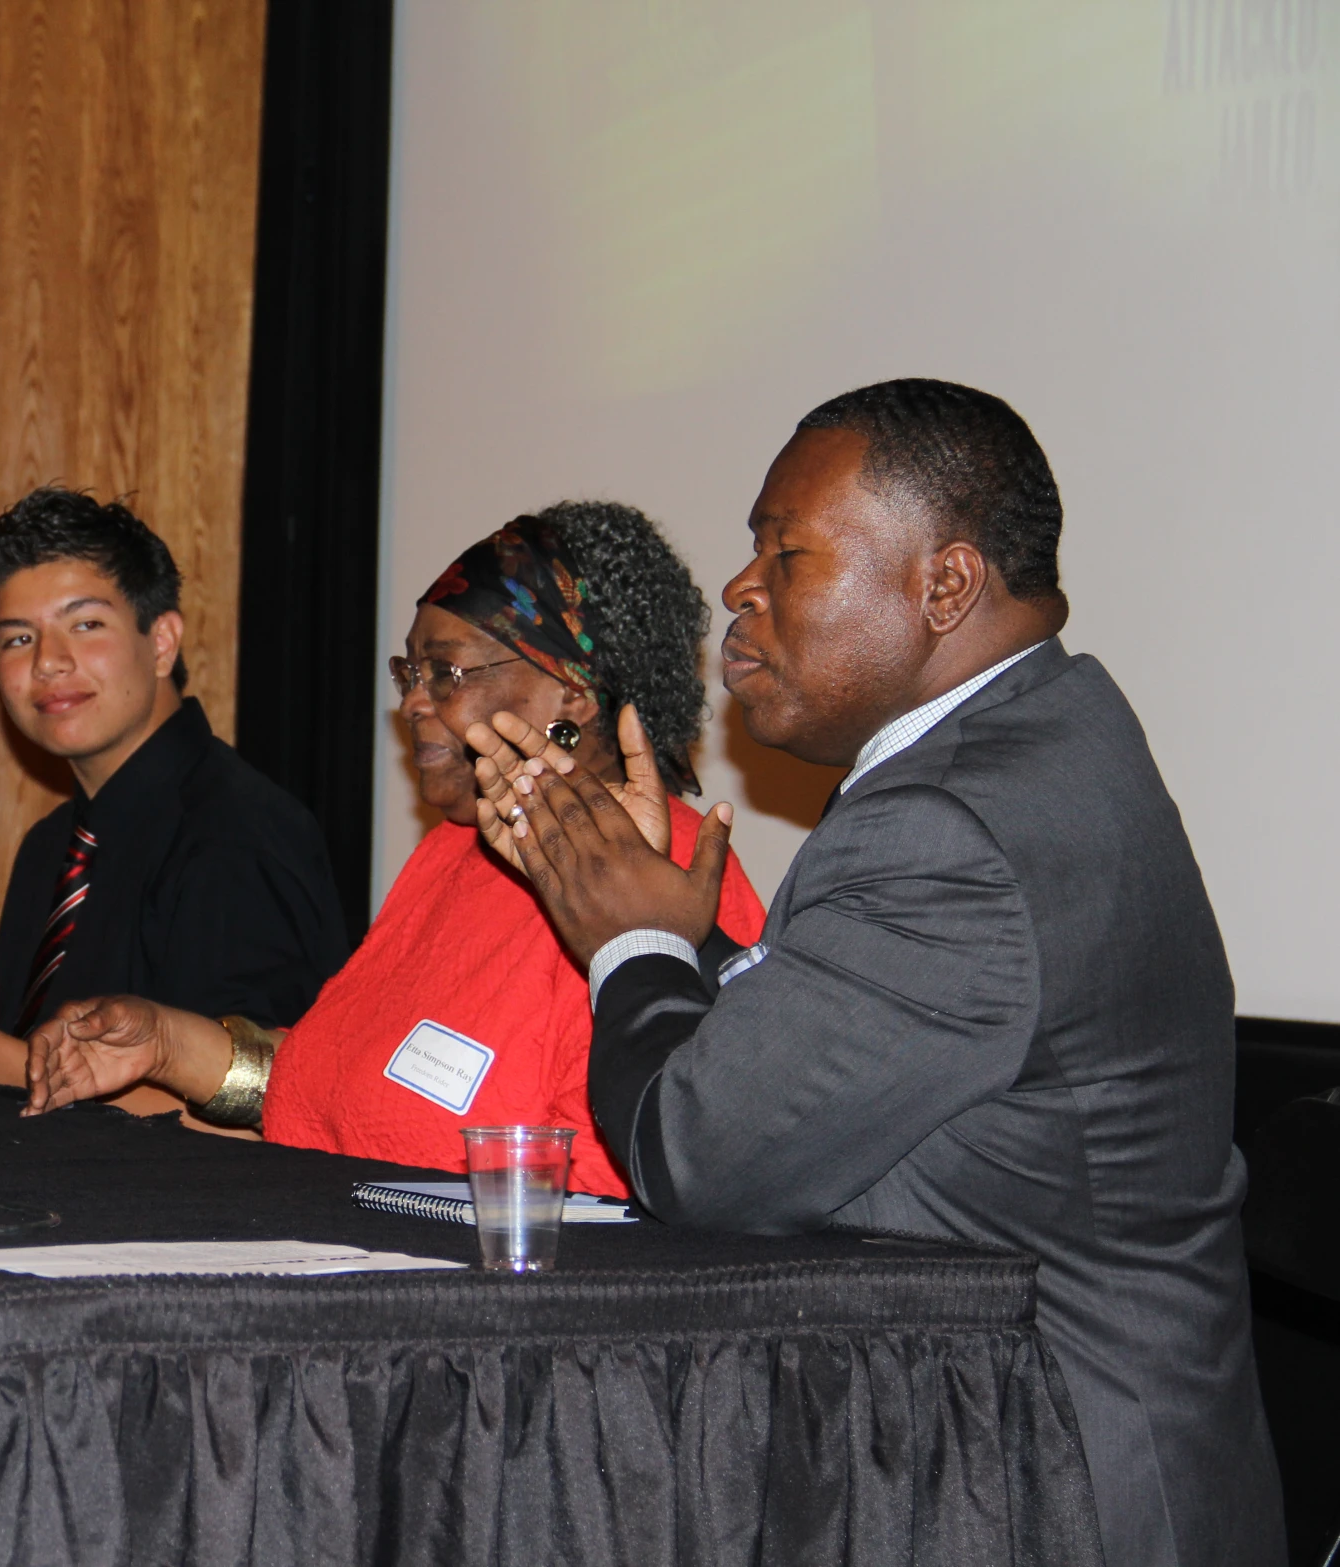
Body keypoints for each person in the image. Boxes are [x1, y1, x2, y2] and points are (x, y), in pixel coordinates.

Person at [469, 381, 1280, 1566]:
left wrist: (628, 942)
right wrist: (680, 933)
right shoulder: (1032, 740)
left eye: (784, 553)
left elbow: (699, 1157)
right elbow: (850, 1049)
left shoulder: (956, 822)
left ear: (942, 585)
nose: (742, 589)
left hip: (1056, 1491)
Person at [19, 503, 765, 1185]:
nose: (411, 702)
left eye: (447, 672)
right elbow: (340, 1087)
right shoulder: (453, 853)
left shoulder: (666, 876)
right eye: (411, 671)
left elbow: (644, 1180)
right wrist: (164, 1043)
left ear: (571, 689)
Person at [0, 488, 348, 1110]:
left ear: (162, 642)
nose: (49, 662)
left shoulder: (240, 834)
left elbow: (254, 1106)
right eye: (18, 639)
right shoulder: (52, 845)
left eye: (86, 625)